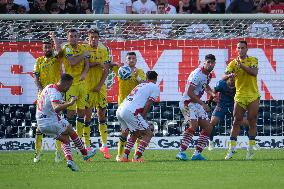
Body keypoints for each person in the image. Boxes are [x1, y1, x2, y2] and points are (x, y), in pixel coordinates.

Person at [36, 74, 96, 171]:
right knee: (70, 129)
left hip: (41, 124)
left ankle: (70, 161)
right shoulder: (55, 93)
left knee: (65, 139)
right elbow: (56, 108)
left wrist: (63, 103)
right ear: (65, 83)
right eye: (70, 85)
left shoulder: (48, 87)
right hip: (50, 121)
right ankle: (85, 153)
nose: (69, 88)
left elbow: (51, 105)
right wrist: (70, 103)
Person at [53, 29, 90, 147]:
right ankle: (66, 138)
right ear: (68, 38)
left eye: (75, 36)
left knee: (81, 112)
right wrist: (83, 55)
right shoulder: (67, 48)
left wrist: (85, 72)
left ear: (78, 37)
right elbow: (72, 61)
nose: (73, 38)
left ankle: (78, 142)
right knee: (70, 112)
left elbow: (87, 63)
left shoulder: (83, 48)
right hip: (70, 85)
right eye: (71, 36)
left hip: (82, 84)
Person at [223, 40, 260, 160]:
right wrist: (230, 77)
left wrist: (242, 66)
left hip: (253, 95)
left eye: (243, 48)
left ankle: (250, 148)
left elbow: (254, 73)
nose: (240, 50)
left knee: (252, 120)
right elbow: (224, 77)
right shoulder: (232, 63)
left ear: (247, 49)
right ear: (236, 49)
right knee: (236, 121)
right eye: (238, 48)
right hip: (239, 96)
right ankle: (231, 149)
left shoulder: (253, 60)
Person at [176, 54, 217, 161]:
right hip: (187, 102)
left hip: (196, 103)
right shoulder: (197, 74)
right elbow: (189, 93)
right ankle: (181, 152)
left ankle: (197, 154)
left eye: (212, 62)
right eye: (208, 62)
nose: (210, 64)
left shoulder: (209, 75)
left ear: (214, 64)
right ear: (204, 63)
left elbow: (205, 86)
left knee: (208, 127)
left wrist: (212, 94)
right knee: (193, 125)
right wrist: (203, 104)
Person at [116, 71, 160, 162]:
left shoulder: (140, 85)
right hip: (130, 111)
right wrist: (143, 116)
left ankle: (124, 157)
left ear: (147, 78)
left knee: (135, 133)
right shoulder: (155, 87)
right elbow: (148, 103)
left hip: (120, 110)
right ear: (156, 79)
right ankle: (137, 157)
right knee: (148, 133)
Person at [111, 51, 146, 162]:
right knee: (125, 131)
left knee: (138, 130)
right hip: (123, 104)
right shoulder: (121, 70)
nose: (131, 60)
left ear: (136, 60)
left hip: (135, 105)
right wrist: (116, 64)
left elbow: (144, 84)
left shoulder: (139, 71)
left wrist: (137, 77)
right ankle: (119, 155)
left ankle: (136, 156)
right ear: (126, 60)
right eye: (129, 58)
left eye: (133, 58)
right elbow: (108, 64)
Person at [33, 39, 63, 163]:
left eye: (49, 47)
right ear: (42, 49)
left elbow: (61, 52)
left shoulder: (57, 58)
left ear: (52, 47)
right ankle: (37, 153)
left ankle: (58, 153)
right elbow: (36, 78)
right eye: (45, 47)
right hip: (43, 97)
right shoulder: (39, 61)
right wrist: (42, 92)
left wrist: (55, 39)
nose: (47, 49)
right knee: (39, 127)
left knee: (58, 124)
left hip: (55, 95)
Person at [84, 29, 112, 159]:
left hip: (100, 88)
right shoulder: (84, 50)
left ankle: (104, 146)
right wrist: (95, 63)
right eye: (91, 37)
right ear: (88, 38)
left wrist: (100, 85)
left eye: (96, 37)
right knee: (87, 117)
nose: (94, 39)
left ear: (98, 38)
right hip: (88, 88)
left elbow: (106, 70)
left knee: (102, 115)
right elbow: (84, 66)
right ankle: (87, 147)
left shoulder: (104, 50)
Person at [208, 76, 249, 150]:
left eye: (235, 78)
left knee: (245, 122)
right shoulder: (221, 84)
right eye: (231, 78)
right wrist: (210, 102)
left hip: (234, 105)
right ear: (228, 78)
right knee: (212, 122)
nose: (233, 80)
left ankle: (251, 142)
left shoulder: (239, 84)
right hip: (222, 105)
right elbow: (213, 91)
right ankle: (211, 142)